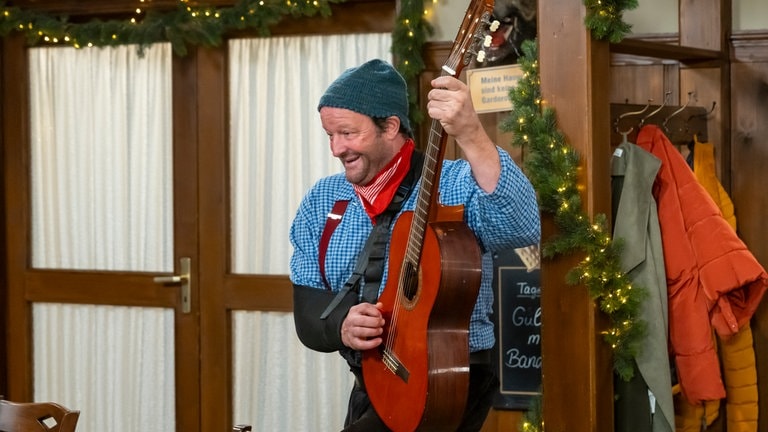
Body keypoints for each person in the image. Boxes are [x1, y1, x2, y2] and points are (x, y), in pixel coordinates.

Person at [290, 58, 540, 431]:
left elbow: (522, 227)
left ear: (390, 126)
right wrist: (341, 325)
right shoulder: (322, 200)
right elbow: (307, 308)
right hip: (373, 379)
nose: (336, 148)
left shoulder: (454, 184)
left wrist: (471, 133)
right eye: (330, 135)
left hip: (449, 379)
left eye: (347, 133)